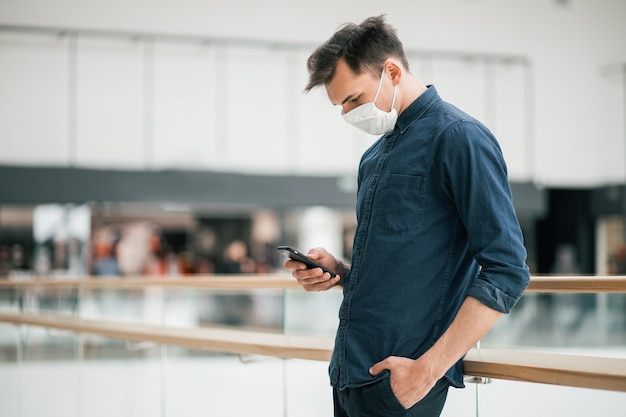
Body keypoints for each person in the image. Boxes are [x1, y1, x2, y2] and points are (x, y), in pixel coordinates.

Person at [283, 15, 531, 417]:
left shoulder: (460, 137)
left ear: (392, 71)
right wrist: (340, 273)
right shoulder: (374, 156)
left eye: (354, 99)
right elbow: (402, 267)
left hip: (403, 382)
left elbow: (507, 270)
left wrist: (427, 372)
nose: (348, 113)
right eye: (340, 105)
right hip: (350, 371)